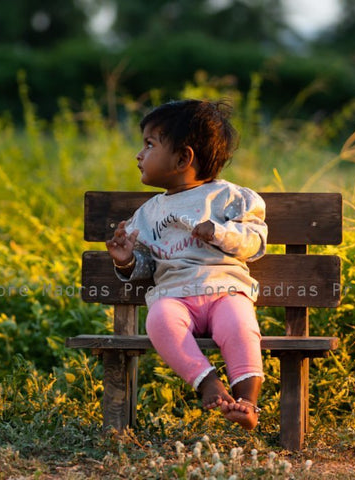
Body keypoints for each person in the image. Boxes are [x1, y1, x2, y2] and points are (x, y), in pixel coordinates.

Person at [106, 99, 267, 429]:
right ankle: (208, 383)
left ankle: (248, 401)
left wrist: (219, 232)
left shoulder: (231, 198)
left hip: (225, 291)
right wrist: (126, 262)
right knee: (159, 320)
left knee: (240, 326)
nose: (139, 155)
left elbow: (255, 242)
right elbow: (146, 266)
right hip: (174, 295)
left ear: (183, 158)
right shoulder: (147, 214)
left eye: (149, 145)